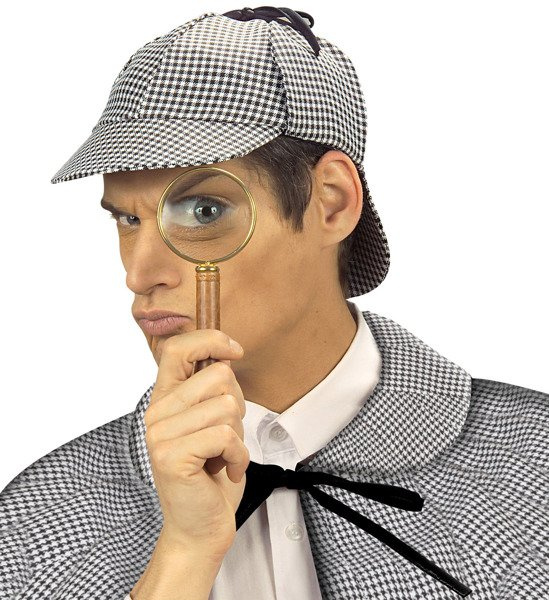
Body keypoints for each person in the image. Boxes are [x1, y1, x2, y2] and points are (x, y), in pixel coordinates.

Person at [1, 6, 547, 600]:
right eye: (128, 219)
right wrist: (183, 555)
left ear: (331, 202)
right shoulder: (40, 520)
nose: (139, 274)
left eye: (203, 211)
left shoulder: (532, 471)